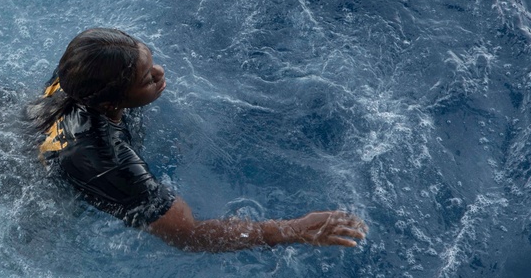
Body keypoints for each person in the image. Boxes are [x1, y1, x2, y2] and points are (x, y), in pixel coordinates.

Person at [26, 27, 368, 252]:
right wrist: (292, 230)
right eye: (147, 77)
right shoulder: (108, 159)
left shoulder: (83, 68)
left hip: (26, 126)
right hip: (32, 186)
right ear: (111, 102)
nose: (160, 72)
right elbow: (190, 235)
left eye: (151, 60)